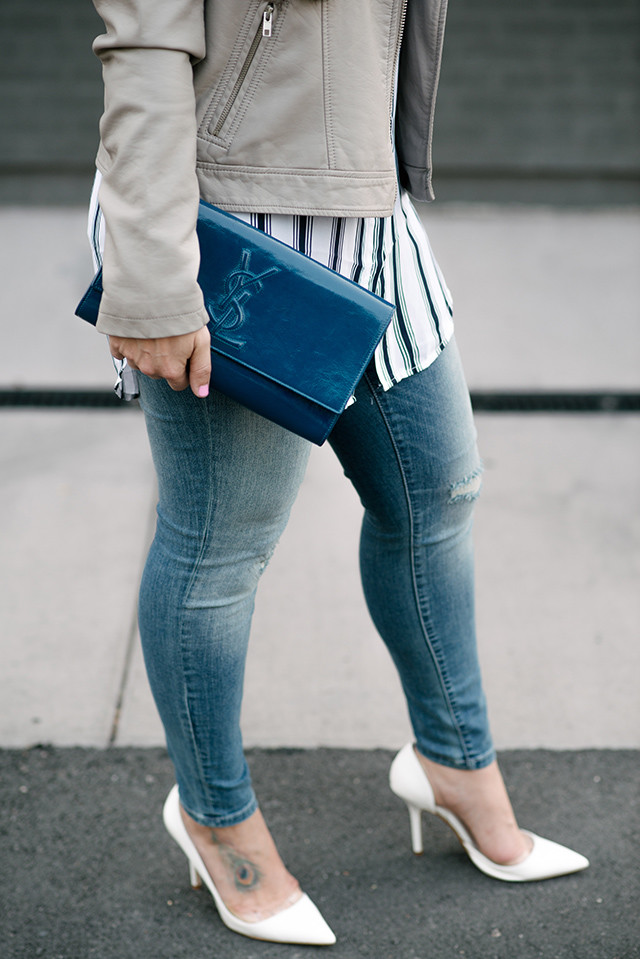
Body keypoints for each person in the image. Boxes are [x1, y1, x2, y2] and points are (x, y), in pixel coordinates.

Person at [88, 0, 589, 946]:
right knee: (218, 552)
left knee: (436, 491)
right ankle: (215, 816)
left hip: (371, 207)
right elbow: (145, 37)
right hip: (238, 218)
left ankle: (454, 762)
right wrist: (153, 270)